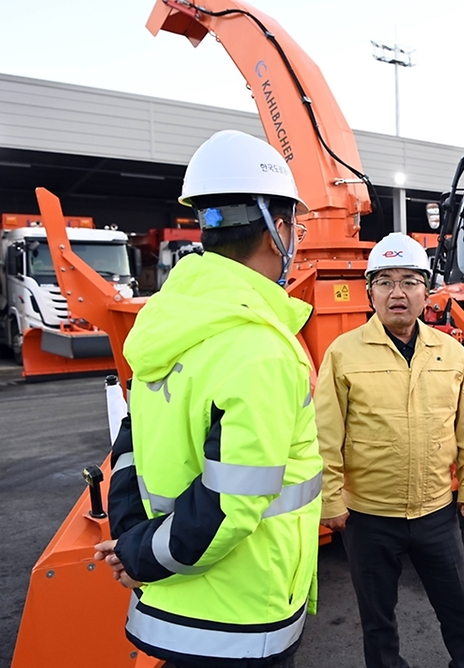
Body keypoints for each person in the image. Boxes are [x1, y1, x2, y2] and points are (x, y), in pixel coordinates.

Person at [93, 129, 323, 668]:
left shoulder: (166, 323)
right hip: (239, 619)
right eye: (295, 225)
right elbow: (230, 508)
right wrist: (140, 557)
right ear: (277, 231)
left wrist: (133, 544)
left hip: (173, 607)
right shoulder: (261, 349)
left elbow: (130, 447)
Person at [315, 232, 464, 668]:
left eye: (410, 281)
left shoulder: (451, 352)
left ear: (426, 291)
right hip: (369, 516)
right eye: (386, 282)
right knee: (377, 620)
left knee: (460, 611)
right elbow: (325, 434)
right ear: (369, 290)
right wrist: (331, 500)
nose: (398, 293)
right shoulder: (343, 353)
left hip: (435, 512)